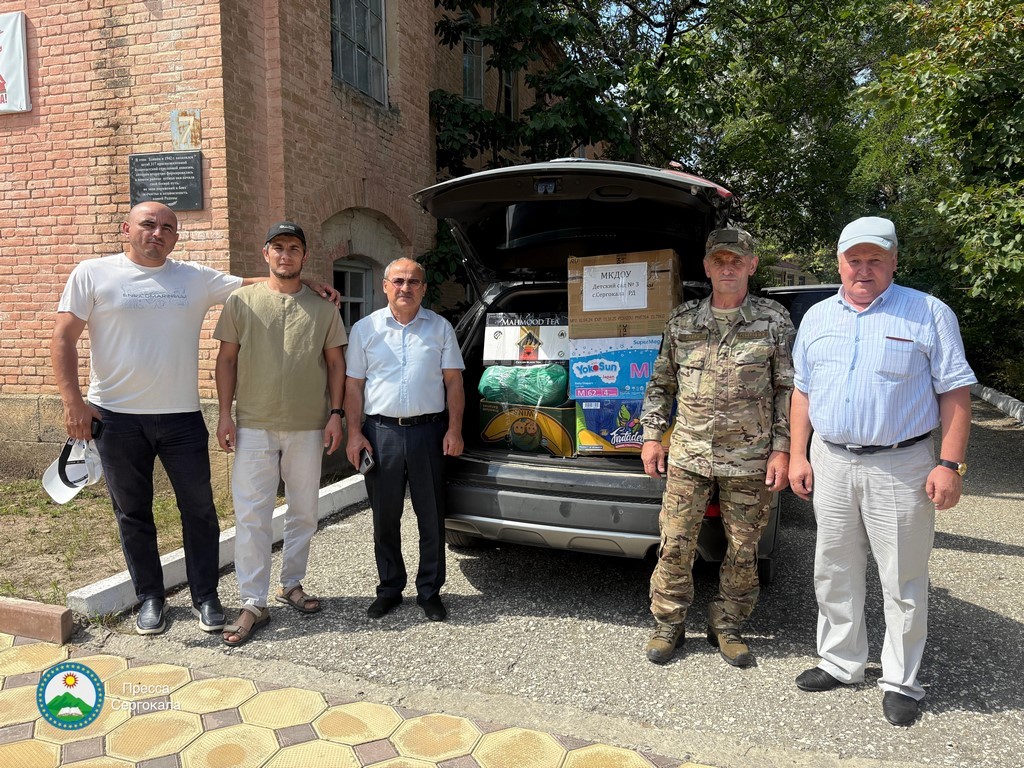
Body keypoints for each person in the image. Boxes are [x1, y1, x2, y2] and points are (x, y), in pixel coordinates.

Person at [50, 201, 337, 636]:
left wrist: (308, 282)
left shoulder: (194, 277)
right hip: (116, 415)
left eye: (167, 227)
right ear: (126, 228)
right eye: (148, 224)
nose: (158, 233)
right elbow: (63, 337)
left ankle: (206, 596)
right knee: (133, 512)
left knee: (200, 511)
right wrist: (73, 402)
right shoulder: (92, 273)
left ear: (176, 237)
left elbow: (260, 282)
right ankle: (150, 597)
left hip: (181, 417)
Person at [788, 216, 976, 727]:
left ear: (894, 261)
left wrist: (950, 464)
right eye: (855, 259)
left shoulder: (928, 313)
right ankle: (841, 661)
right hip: (831, 459)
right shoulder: (817, 317)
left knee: (902, 577)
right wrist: (799, 454)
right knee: (833, 567)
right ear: (839, 263)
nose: (863, 269)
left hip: (901, 463)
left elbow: (955, 393)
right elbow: (803, 391)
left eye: (875, 259)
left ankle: (900, 680)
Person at [639, 228, 794, 667]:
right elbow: (661, 383)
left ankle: (727, 624)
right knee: (675, 543)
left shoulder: (773, 320)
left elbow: (788, 389)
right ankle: (668, 623)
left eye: (737, 261)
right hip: (689, 453)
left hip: (750, 458)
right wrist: (652, 436)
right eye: (720, 261)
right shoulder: (683, 321)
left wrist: (783, 448)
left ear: (752, 265)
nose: (728, 268)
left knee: (743, 549)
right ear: (707, 267)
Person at [213, 222, 348, 646]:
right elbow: (226, 360)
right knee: (251, 514)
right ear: (266, 253)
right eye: (278, 247)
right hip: (253, 423)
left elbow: (336, 364)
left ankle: (291, 583)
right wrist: (224, 414)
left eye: (293, 248)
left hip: (308, 424)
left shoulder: (324, 308)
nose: (285, 255)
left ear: (304, 256)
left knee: (304, 509)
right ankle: (253, 601)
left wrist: (336, 414)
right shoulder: (241, 301)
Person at [343, 257, 465, 622]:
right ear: (385, 286)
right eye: (398, 281)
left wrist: (454, 429)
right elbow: (354, 385)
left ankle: (430, 592)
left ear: (423, 288)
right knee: (385, 517)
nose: (405, 288)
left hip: (429, 433)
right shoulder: (365, 329)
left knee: (431, 516)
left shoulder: (440, 328)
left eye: (413, 282)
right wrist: (354, 434)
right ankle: (389, 589)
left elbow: (454, 382)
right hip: (381, 434)